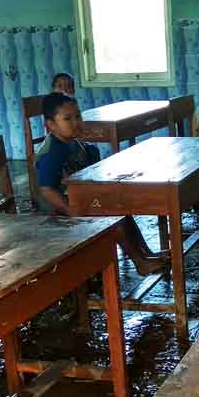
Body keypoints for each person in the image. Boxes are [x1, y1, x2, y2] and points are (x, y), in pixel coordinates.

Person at [35, 92, 168, 275]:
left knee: (121, 209)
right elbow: (46, 190)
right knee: (112, 218)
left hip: (81, 201)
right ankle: (140, 262)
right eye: (68, 118)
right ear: (50, 124)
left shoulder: (73, 143)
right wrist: (70, 210)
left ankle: (146, 254)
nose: (76, 122)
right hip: (60, 214)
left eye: (78, 116)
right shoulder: (51, 153)